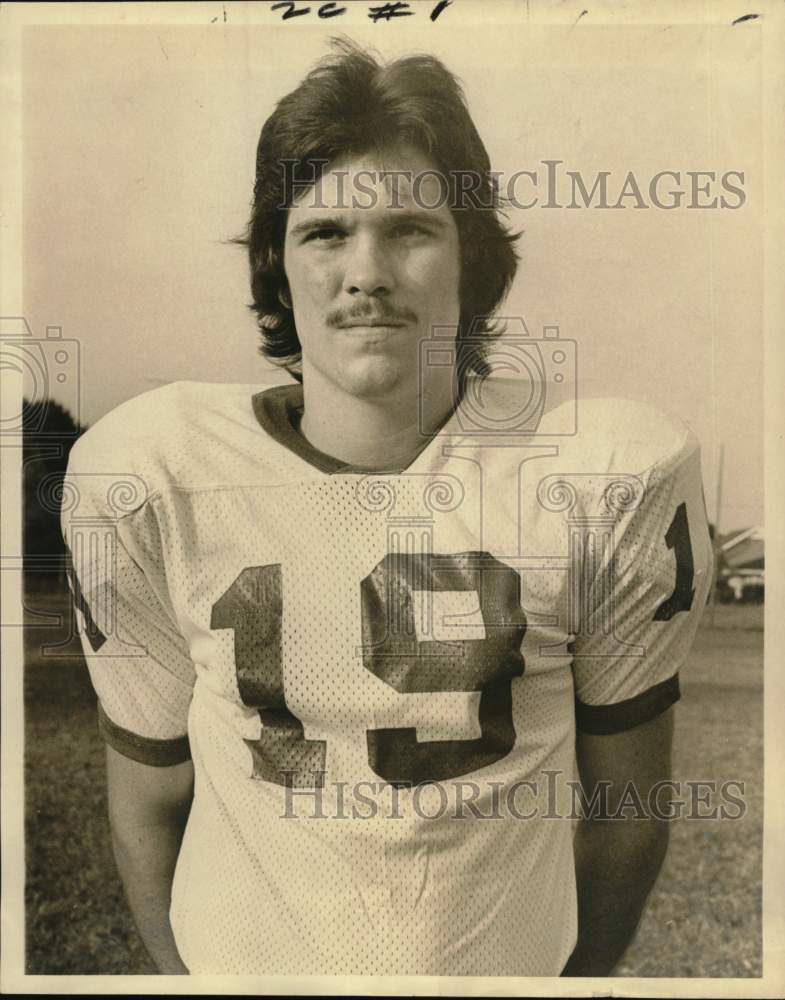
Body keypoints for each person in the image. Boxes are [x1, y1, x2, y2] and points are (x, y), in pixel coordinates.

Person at [61, 40, 712, 977]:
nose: (365, 272)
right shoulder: (153, 472)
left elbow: (622, 813)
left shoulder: (599, 474)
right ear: (275, 269)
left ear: (473, 260)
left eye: (410, 228)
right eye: (323, 233)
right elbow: (150, 797)